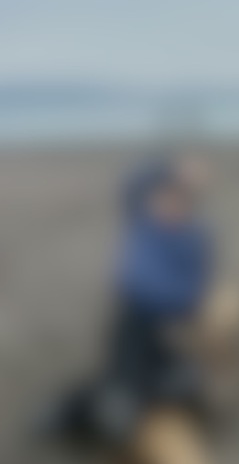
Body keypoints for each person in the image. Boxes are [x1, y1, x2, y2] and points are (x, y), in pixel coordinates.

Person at [40, 154, 214, 447]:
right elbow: (132, 184)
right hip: (132, 328)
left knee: (183, 383)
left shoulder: (193, 239)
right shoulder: (142, 225)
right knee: (119, 407)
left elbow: (191, 296)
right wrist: (172, 168)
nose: (170, 204)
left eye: (180, 198)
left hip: (166, 332)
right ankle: (68, 414)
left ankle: (115, 403)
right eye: (165, 195)